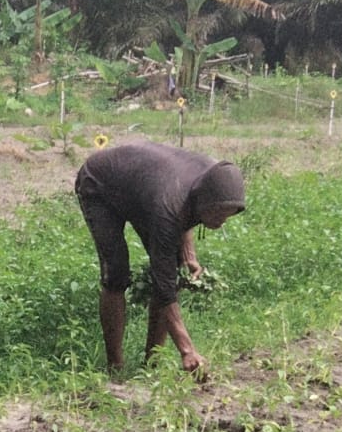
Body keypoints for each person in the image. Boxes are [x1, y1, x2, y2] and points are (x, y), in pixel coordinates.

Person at [74, 140, 246, 376]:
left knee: (173, 268)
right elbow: (165, 284)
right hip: (101, 184)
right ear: (203, 200)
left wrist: (188, 255)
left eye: (228, 216)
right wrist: (187, 350)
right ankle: (115, 367)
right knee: (116, 273)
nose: (221, 221)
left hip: (144, 188)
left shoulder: (211, 178)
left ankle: (152, 364)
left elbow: (187, 211)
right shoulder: (169, 205)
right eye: (217, 213)